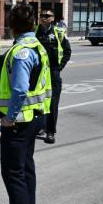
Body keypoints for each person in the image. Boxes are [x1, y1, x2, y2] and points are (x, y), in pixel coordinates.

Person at [0, 4, 52, 204]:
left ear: (12, 26)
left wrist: (9, 118)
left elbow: (20, 89)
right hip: (36, 118)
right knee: (26, 171)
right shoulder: (37, 45)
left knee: (14, 175)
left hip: (20, 122)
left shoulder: (21, 51)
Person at [35, 9, 71, 144]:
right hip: (37, 73)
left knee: (52, 103)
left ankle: (50, 132)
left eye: (47, 16)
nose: (43, 18)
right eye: (42, 16)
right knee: (38, 101)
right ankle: (41, 127)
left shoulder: (59, 33)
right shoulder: (34, 33)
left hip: (53, 72)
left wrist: (59, 68)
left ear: (53, 18)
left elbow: (67, 51)